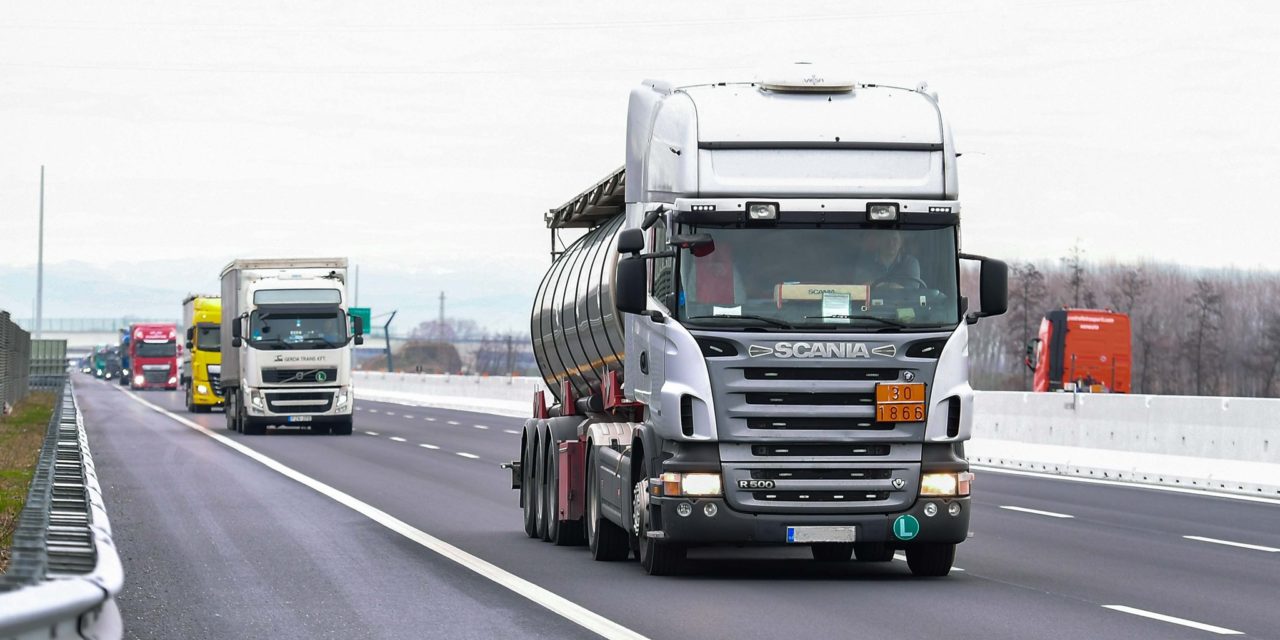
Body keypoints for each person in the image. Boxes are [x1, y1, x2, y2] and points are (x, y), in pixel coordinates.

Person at [853, 229, 921, 287]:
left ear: (901, 243)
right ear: (879, 242)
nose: (890, 243)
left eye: (895, 239)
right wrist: (892, 286)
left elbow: (912, 291)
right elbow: (861, 288)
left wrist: (877, 285)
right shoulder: (866, 261)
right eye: (886, 239)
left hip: (902, 302)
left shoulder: (910, 263)